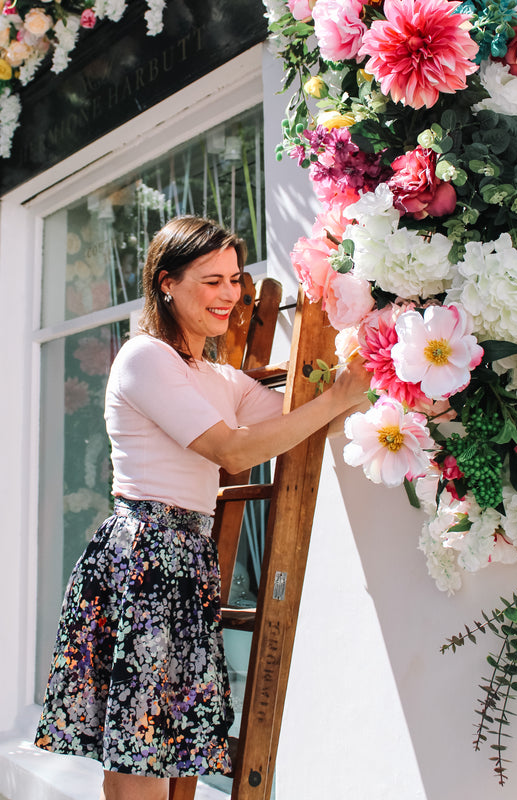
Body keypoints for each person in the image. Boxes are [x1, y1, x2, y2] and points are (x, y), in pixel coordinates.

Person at [34, 216, 368, 800]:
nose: (230, 295)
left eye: (235, 280)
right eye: (211, 280)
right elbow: (233, 450)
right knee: (139, 748)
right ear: (167, 283)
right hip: (144, 553)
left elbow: (293, 427)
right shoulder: (144, 358)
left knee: (174, 738)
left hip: (186, 557)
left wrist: (370, 378)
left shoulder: (221, 379)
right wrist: (339, 395)